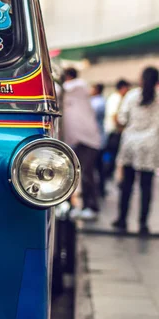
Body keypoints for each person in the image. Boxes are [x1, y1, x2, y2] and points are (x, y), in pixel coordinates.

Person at [112, 67, 159, 236]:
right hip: (150, 146)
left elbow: (122, 119)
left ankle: (122, 219)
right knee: (146, 187)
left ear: (141, 79)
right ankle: (143, 224)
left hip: (131, 145)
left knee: (127, 185)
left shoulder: (132, 96)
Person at [62, 68, 102, 220]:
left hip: (89, 141)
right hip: (79, 141)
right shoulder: (72, 94)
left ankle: (91, 207)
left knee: (86, 175)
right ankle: (83, 206)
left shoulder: (78, 86)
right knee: (79, 175)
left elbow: (67, 87)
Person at [103, 79, 131, 180]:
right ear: (123, 88)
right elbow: (115, 116)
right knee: (112, 156)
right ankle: (107, 175)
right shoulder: (117, 98)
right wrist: (122, 129)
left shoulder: (115, 97)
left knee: (111, 156)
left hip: (113, 132)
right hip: (113, 132)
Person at [90, 83, 106, 197]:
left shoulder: (97, 103)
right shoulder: (100, 101)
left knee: (96, 167)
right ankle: (101, 189)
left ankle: (99, 190)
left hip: (96, 138)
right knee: (99, 167)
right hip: (98, 138)